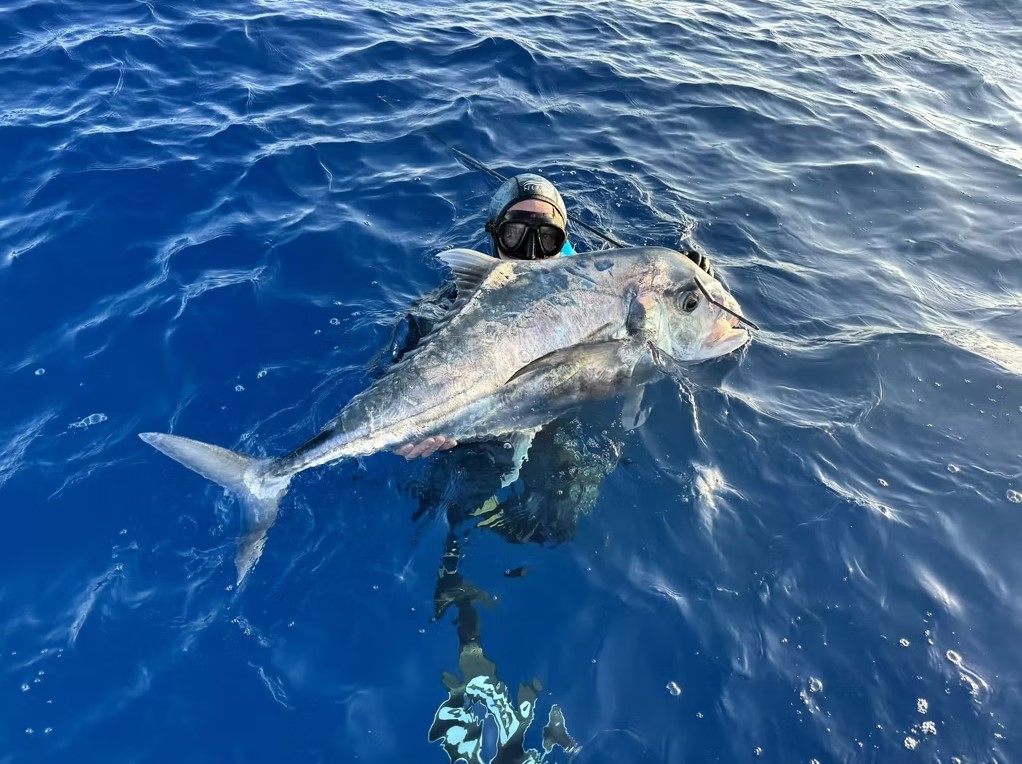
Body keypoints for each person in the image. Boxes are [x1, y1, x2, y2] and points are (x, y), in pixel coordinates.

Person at [383, 173, 714, 459]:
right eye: (514, 235)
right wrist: (404, 426)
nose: (531, 252)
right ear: (494, 234)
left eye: (546, 238)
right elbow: (396, 374)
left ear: (564, 241)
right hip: (473, 429)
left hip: (566, 418)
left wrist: (690, 289)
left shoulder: (603, 290)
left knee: (560, 512)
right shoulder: (450, 302)